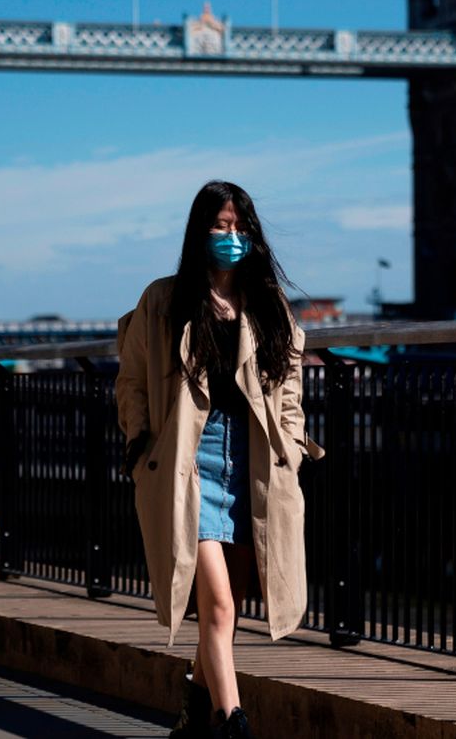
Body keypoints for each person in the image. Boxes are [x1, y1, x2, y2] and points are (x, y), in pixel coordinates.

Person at [116, 181, 323, 739]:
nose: (230, 237)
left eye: (239, 227)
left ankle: (192, 715)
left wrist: (293, 444)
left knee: (225, 607)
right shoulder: (164, 299)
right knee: (220, 610)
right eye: (219, 226)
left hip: (252, 465)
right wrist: (141, 445)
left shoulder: (269, 306)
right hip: (189, 465)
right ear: (199, 232)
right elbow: (131, 379)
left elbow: (290, 389)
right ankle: (232, 722)